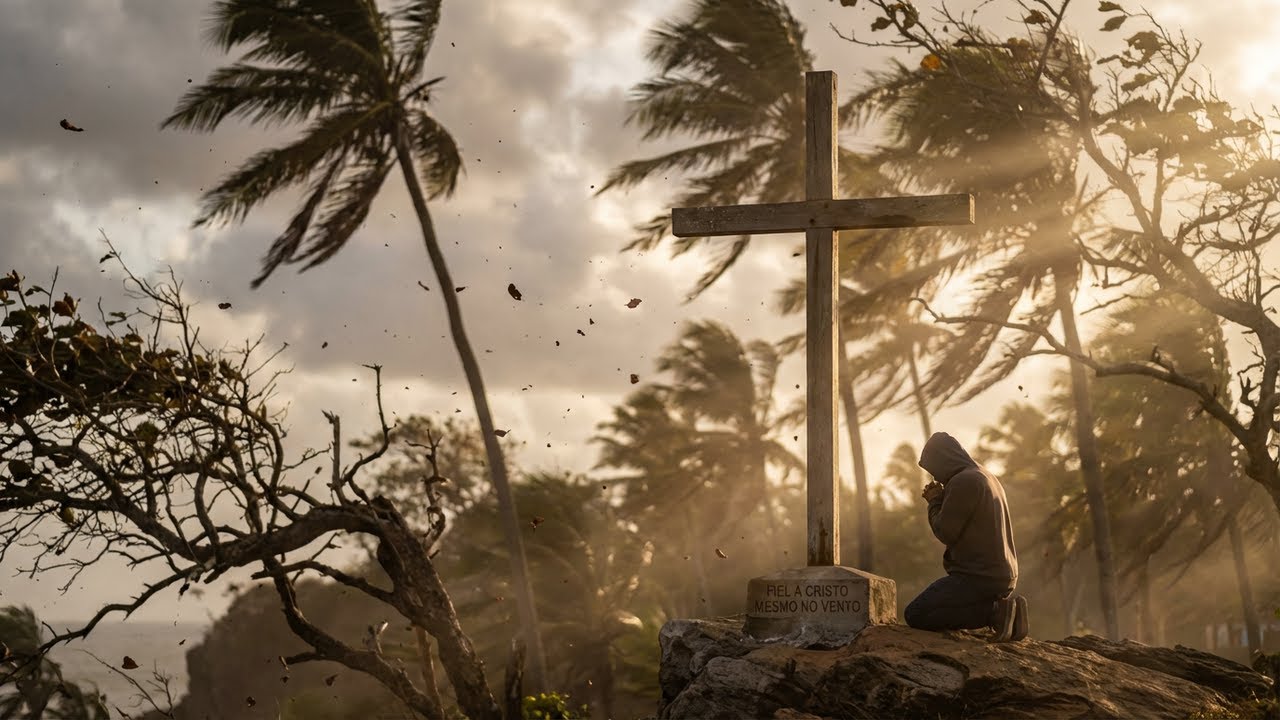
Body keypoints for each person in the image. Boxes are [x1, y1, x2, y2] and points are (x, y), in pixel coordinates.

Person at [904, 431, 1028, 642]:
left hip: (976, 577)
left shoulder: (963, 481)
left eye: (934, 470)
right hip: (1002, 575)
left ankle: (996, 614)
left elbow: (945, 532)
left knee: (916, 614)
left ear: (945, 459)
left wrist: (934, 501)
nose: (935, 478)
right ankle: (1010, 612)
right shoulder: (985, 475)